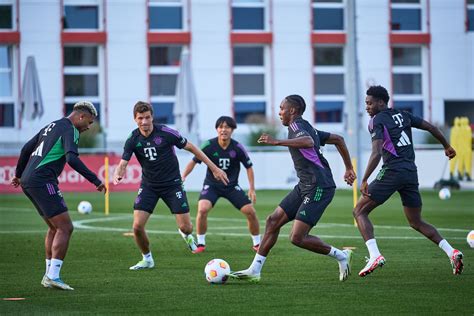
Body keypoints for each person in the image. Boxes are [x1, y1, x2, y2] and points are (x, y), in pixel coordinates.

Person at [229, 95, 356, 282]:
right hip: (305, 185)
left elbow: (308, 142)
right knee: (272, 221)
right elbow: (338, 139)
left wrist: (277, 142)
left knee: (297, 237)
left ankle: (341, 256)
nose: (279, 112)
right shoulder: (307, 127)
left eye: (282, 108)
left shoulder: (297, 127)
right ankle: (255, 270)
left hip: (319, 186)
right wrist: (348, 168)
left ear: (292, 111)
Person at [353, 85, 463, 277]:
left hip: (392, 171)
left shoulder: (376, 120)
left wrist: (364, 179)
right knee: (415, 221)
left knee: (359, 210)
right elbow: (431, 127)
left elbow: (377, 152)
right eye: (366, 104)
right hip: (410, 172)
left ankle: (375, 255)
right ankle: (451, 252)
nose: (367, 107)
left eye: (370, 103)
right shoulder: (403, 115)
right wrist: (447, 146)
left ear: (381, 102)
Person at [113, 101, 228, 270]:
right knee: (137, 226)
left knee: (186, 227)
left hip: (172, 185)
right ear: (135, 119)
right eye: (140, 118)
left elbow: (192, 148)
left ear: (152, 117)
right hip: (149, 186)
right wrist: (118, 172)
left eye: (147, 117)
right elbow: (124, 162)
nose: (144, 122)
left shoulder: (166, 133)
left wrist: (214, 168)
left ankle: (186, 235)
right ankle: (147, 259)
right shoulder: (133, 138)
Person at [11, 101, 107, 291]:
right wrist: (95, 180)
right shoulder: (71, 130)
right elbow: (72, 158)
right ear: (81, 116)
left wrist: (19, 174)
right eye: (89, 121)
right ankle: (53, 276)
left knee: (54, 228)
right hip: (42, 181)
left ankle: (49, 275)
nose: (89, 127)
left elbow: (25, 149)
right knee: (65, 227)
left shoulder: (51, 125)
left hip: (29, 181)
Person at [181, 116, 260, 253]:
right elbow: (194, 161)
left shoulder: (238, 147)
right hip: (212, 186)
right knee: (203, 209)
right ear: (217, 129)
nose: (224, 130)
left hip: (231, 187)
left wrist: (252, 188)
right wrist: (183, 176)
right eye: (221, 127)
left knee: (250, 211)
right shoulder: (208, 145)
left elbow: (249, 167)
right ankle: (200, 243)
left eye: (227, 127)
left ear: (232, 130)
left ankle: (257, 244)